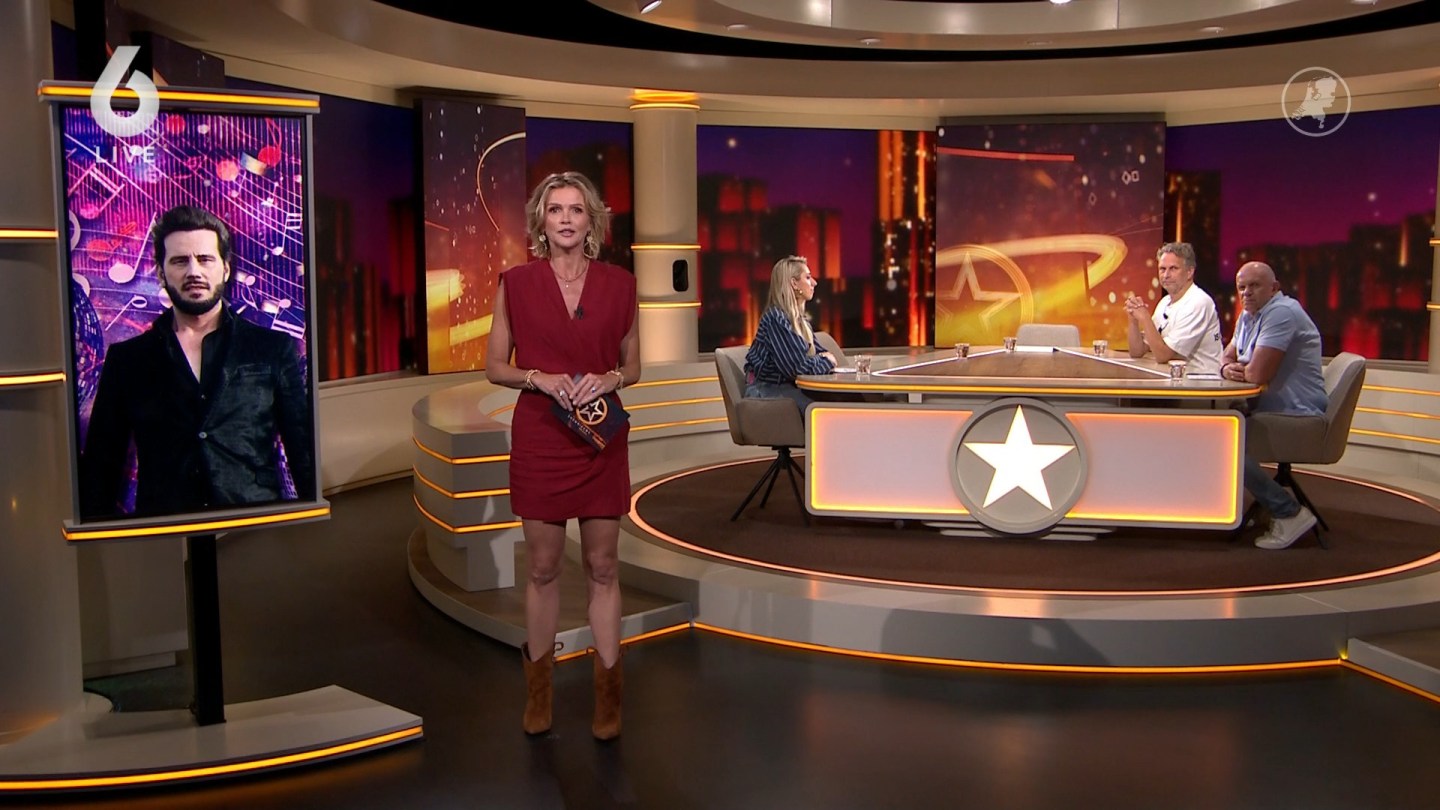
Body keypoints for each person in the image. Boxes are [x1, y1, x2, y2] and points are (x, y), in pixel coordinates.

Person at [484, 171, 640, 740]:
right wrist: (539, 378)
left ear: (591, 219)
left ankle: (608, 698)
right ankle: (539, 693)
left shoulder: (621, 284)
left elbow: (634, 366)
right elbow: (494, 366)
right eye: (556, 210)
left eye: (576, 209)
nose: (566, 219)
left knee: (603, 566)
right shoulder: (516, 284)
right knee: (543, 568)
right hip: (542, 435)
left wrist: (610, 378)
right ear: (541, 222)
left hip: (600, 438)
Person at [79, 205, 315, 520]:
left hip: (255, 527)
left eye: (205, 259)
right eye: (180, 261)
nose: (194, 272)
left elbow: (303, 453)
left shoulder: (272, 349)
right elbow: (101, 468)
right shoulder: (127, 360)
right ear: (161, 273)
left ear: (226, 269)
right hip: (165, 533)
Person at [1221, 261, 1327, 550]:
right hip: (1267, 405)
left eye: (1254, 286)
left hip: (1296, 411)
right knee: (1215, 427)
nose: (1246, 293)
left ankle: (1288, 512)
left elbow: (1257, 374)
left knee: (1222, 440)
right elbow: (1226, 356)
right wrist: (1226, 368)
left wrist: (1239, 368)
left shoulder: (1281, 313)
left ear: (1274, 288)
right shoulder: (1248, 315)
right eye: (1242, 287)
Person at [742, 255, 836, 410]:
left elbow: (820, 354)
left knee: (845, 400)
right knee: (825, 412)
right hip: (766, 391)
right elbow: (797, 369)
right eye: (808, 277)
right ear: (794, 283)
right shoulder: (776, 318)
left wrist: (822, 359)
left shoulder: (800, 321)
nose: (814, 283)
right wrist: (825, 361)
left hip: (789, 387)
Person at [1124, 242, 1223, 376]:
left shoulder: (1198, 302)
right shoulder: (1164, 303)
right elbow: (1137, 351)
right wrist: (1133, 320)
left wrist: (1145, 318)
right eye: (1162, 269)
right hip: (1176, 379)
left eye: (1173, 269)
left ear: (1189, 272)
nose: (1166, 275)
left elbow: (1163, 356)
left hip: (1202, 380)